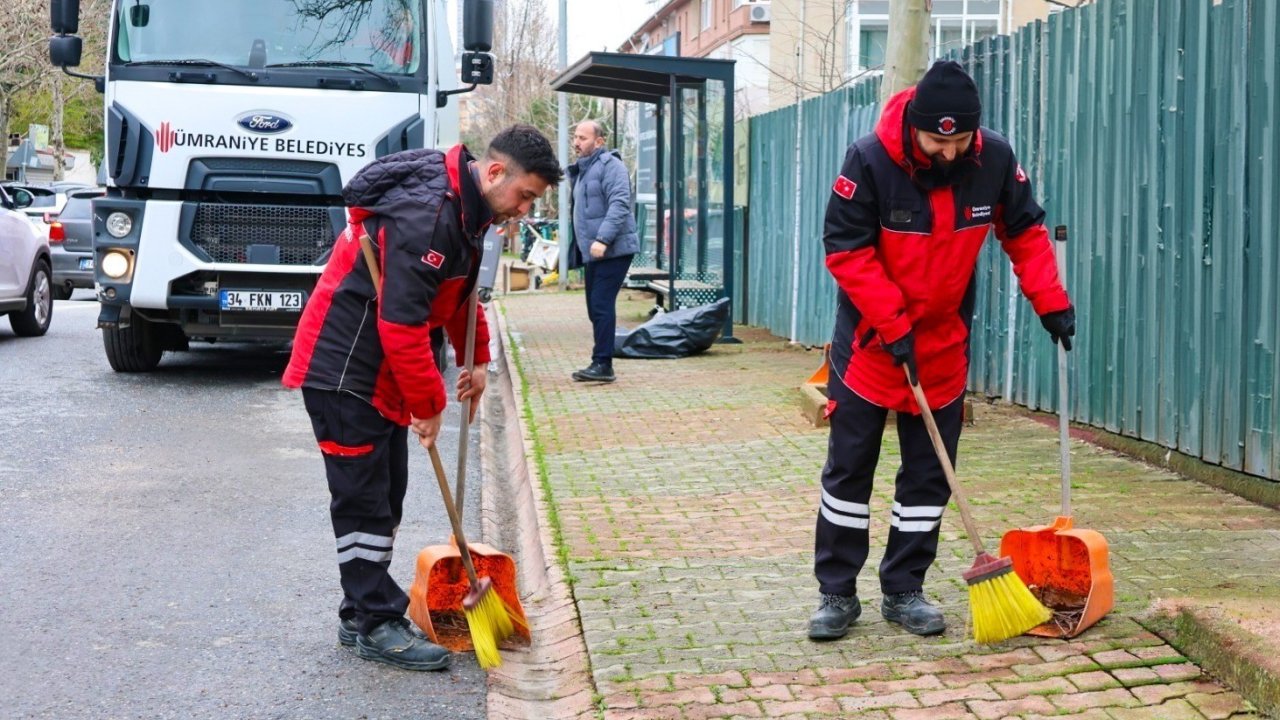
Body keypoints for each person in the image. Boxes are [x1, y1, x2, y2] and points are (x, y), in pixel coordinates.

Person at [808, 61, 1076, 640]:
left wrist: (1050, 301)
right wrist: (892, 321)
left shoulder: (994, 159)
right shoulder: (869, 161)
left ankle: (905, 589)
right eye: (937, 141)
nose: (949, 153)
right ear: (915, 127)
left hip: (943, 346)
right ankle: (837, 593)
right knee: (849, 471)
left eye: (960, 140)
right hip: (871, 343)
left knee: (930, 477)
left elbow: (1024, 231)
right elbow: (845, 249)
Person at [282, 125, 562, 670]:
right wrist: (429, 405)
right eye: (525, 195)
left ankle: (359, 610)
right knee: (363, 501)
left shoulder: (468, 210)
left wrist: (477, 360)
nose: (525, 210)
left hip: (381, 372)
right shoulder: (427, 217)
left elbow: (460, 296)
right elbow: (402, 324)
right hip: (344, 368)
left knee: (388, 494)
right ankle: (375, 622)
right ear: (495, 172)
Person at [567, 120, 639, 383]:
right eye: (575, 137)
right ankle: (601, 361)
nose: (577, 142)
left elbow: (620, 203)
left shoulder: (612, 166)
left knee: (601, 304)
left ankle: (603, 364)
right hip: (594, 251)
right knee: (594, 307)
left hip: (613, 249)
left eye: (583, 138)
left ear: (599, 141)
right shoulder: (585, 169)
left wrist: (603, 239)